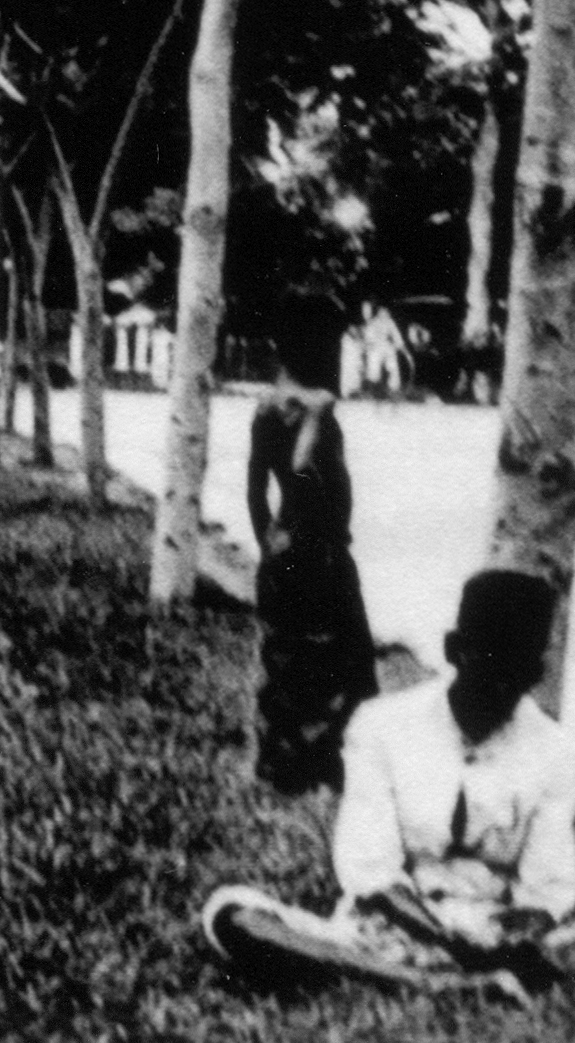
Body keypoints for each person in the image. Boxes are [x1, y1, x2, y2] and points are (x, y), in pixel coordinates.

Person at [203, 572, 575, 994]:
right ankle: (431, 984)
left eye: (518, 671)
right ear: (454, 650)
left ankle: (443, 977)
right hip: (386, 926)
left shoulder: (559, 754)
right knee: (231, 914)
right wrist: (445, 940)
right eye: (488, 663)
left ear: (536, 674)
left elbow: (545, 890)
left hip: (494, 934)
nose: (501, 686)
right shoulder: (381, 725)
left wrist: (504, 936)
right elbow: (371, 873)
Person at [246, 301, 377, 794]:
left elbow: (256, 488)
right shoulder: (308, 407)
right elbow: (301, 475)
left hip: (303, 547)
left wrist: (267, 539)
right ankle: (312, 759)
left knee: (294, 659)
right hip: (316, 551)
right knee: (344, 662)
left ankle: (295, 757)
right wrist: (316, 420)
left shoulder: (268, 405)